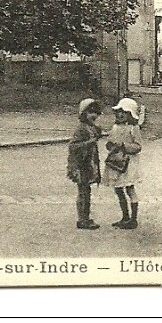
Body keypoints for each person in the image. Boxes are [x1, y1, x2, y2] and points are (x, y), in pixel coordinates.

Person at [103, 97, 143, 229]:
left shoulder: (133, 128)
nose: (120, 115)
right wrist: (110, 146)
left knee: (129, 189)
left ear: (130, 114)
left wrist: (124, 146)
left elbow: (138, 146)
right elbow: (110, 143)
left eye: (124, 112)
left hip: (128, 163)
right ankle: (124, 216)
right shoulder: (115, 127)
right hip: (117, 162)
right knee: (118, 188)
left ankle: (133, 219)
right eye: (118, 112)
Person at [66, 98, 104, 230]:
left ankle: (85, 217)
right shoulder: (81, 129)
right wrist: (91, 141)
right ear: (83, 114)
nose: (93, 115)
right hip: (81, 165)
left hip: (88, 164)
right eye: (90, 112)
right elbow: (73, 146)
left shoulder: (90, 127)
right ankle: (83, 219)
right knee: (83, 192)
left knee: (86, 191)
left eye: (95, 112)